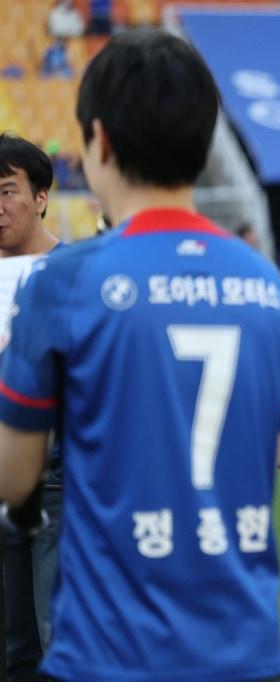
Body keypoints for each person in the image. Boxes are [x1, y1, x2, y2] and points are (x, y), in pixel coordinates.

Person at [0, 29, 280, 681]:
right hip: (243, 645)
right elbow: (262, 462)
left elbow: (13, 479)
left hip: (113, 648)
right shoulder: (266, 286)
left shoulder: (64, 282)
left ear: (100, 141)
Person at [0, 132, 61, 682]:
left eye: (7, 191)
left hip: (60, 483)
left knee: (58, 639)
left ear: (40, 196)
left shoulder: (75, 273)